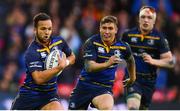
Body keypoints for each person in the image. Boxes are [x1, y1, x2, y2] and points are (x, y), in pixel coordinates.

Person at [68, 15, 136, 110]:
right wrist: (108, 63)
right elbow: (89, 67)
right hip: (84, 86)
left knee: (107, 107)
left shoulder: (123, 47)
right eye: (104, 28)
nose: (107, 31)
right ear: (100, 29)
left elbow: (130, 60)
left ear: (116, 30)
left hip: (104, 88)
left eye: (110, 28)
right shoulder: (91, 42)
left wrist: (132, 78)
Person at [11, 13, 75, 110]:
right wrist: (59, 67)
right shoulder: (31, 52)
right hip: (29, 96)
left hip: (49, 95)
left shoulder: (59, 42)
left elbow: (72, 57)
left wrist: (65, 62)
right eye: (43, 29)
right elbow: (38, 78)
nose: (47, 32)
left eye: (49, 29)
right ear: (35, 30)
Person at [122, 6, 173, 110]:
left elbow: (170, 62)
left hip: (149, 82)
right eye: (143, 17)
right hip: (132, 78)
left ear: (154, 21)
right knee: (133, 107)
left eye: (149, 18)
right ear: (138, 19)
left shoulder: (160, 38)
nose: (146, 20)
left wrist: (153, 61)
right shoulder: (127, 35)